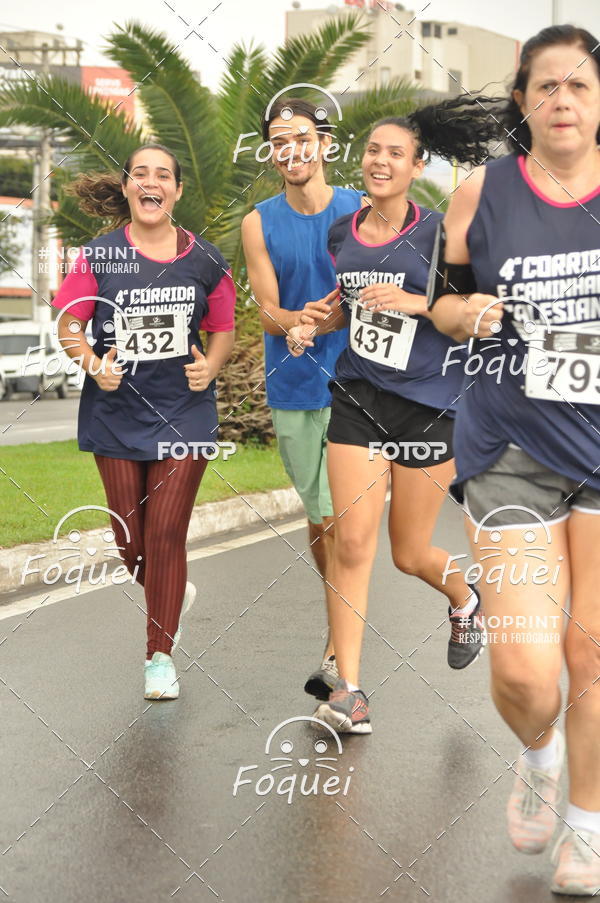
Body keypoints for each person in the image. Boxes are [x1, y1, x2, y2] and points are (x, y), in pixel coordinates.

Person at [429, 25, 600, 895]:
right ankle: (538, 750)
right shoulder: (480, 192)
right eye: (546, 87)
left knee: (593, 653)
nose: (562, 100)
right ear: (523, 102)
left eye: (578, 85)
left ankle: (588, 825)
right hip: (512, 445)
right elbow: (443, 304)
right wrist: (467, 316)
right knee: (526, 664)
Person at [287, 98, 502, 734]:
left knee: (408, 553)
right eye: (373, 151)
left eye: (395, 154)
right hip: (357, 397)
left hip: (432, 405)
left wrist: (413, 301)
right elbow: (350, 297)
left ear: (416, 166)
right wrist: (325, 315)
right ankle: (347, 691)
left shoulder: (441, 233)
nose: (381, 162)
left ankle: (464, 598)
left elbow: (474, 309)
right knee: (350, 542)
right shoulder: (340, 232)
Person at [52, 144, 235, 700]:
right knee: (131, 543)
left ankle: (159, 655)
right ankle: (169, 591)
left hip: (184, 411)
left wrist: (213, 365)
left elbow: (222, 325)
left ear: (177, 191)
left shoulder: (205, 259)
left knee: (165, 533)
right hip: (115, 412)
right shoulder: (98, 256)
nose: (151, 183)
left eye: (163, 176)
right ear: (129, 188)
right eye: (140, 174)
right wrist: (92, 364)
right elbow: (68, 324)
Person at [241, 98, 364, 700]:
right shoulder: (258, 221)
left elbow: (379, 287)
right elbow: (265, 306)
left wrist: (339, 315)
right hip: (291, 387)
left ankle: (340, 652)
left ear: (324, 143)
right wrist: (293, 321)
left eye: (303, 137)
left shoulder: (358, 208)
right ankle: (338, 621)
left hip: (357, 386)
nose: (291, 149)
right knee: (319, 522)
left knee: (341, 518)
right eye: (279, 139)